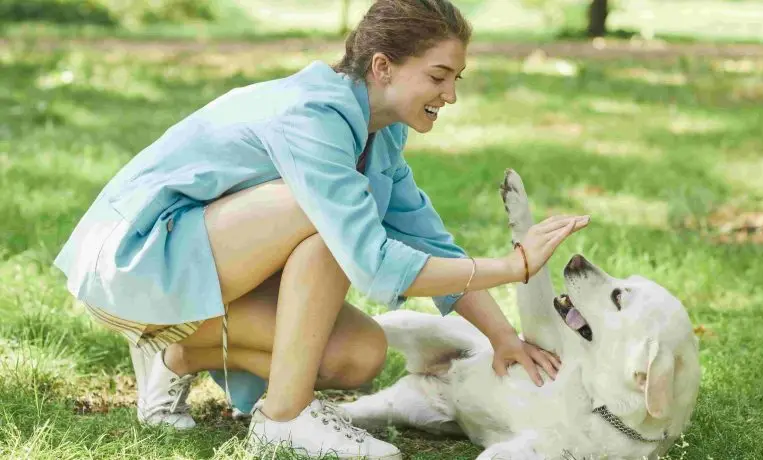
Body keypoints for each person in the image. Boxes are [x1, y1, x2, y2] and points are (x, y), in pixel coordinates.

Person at [53, 0, 589, 457]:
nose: (450, 94)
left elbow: (426, 240)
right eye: (438, 76)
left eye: (456, 79)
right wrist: (512, 268)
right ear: (383, 67)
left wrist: (502, 338)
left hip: (201, 268)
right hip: (136, 262)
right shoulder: (314, 115)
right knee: (330, 220)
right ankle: (283, 419)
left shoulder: (379, 134)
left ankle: (178, 354)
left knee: (358, 354)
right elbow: (373, 262)